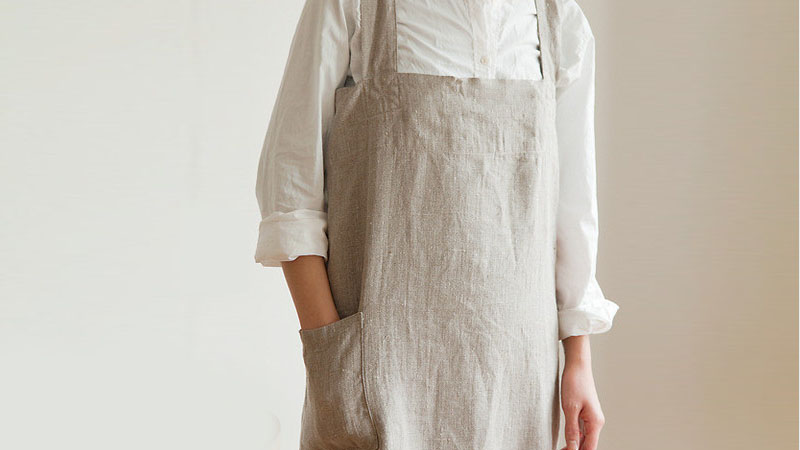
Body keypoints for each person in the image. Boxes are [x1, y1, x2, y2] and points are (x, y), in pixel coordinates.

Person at [255, 0, 620, 448]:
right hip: (379, 373)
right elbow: (291, 192)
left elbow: (572, 209)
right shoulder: (353, 7)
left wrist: (579, 360)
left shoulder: (561, 22)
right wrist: (334, 359)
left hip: (518, 378)